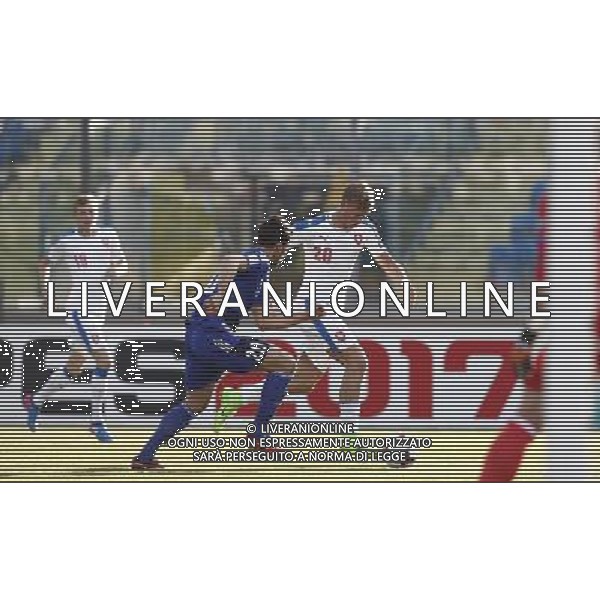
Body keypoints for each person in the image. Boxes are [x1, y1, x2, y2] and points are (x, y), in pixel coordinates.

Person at [131, 216, 324, 471]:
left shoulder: (257, 272)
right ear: (278, 245)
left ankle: (144, 456)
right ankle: (258, 436)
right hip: (212, 332)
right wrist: (222, 295)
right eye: (285, 247)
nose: (285, 253)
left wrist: (305, 317)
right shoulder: (259, 257)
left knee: (195, 402)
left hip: (200, 333)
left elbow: (264, 322)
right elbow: (228, 260)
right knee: (285, 363)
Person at [25, 194, 128, 442]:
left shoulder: (109, 236)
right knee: (104, 360)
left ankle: (35, 401)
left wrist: (118, 271)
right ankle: (96, 421)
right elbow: (44, 262)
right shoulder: (67, 241)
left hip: (99, 308)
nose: (87, 216)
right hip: (78, 309)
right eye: (82, 212)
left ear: (96, 213)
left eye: (91, 211)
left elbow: (123, 265)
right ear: (75, 215)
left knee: (75, 364)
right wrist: (46, 289)